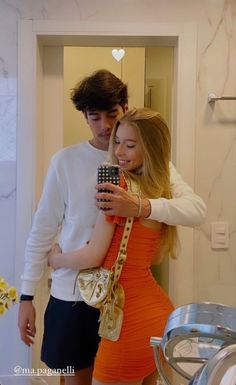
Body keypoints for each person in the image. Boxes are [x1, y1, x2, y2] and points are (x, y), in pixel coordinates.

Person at [18, 69, 206, 385]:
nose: (104, 126)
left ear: (126, 109)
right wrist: (26, 296)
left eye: (112, 115)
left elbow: (196, 210)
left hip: (124, 302)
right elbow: (42, 230)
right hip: (73, 297)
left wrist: (141, 206)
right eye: (94, 117)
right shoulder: (65, 162)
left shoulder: (149, 165)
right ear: (84, 117)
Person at [48, 107, 180, 385]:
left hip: (126, 322)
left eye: (130, 145)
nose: (119, 151)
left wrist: (57, 259)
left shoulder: (117, 185)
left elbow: (93, 255)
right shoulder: (160, 195)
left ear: (152, 149)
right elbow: (154, 257)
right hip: (160, 317)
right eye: (117, 142)